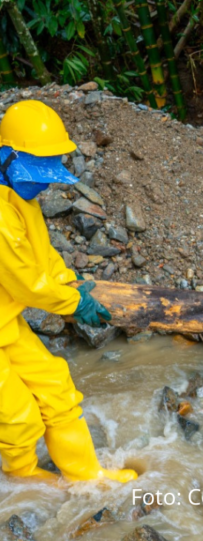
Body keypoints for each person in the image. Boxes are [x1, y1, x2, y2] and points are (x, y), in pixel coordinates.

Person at [0, 100, 137, 483]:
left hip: (6, 326)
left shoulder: (17, 195)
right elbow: (26, 284)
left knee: (57, 390)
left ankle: (86, 478)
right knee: (17, 415)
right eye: (39, 172)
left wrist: (70, 282)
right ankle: (22, 481)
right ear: (7, 157)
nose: (45, 182)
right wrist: (76, 303)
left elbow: (40, 255)